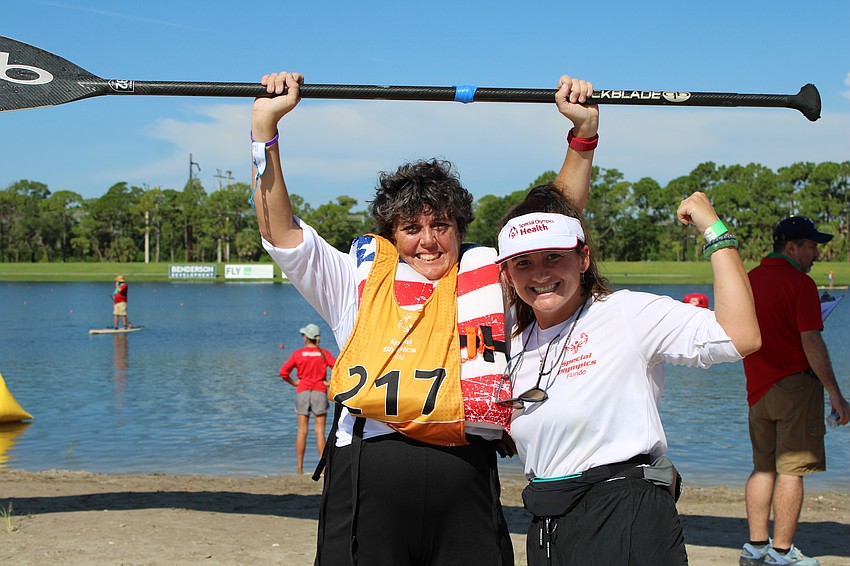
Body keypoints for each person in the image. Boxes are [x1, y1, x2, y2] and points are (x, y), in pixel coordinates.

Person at [251, 69, 598, 565]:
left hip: (465, 468)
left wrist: (582, 137)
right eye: (411, 228)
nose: (428, 240)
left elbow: (552, 226)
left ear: (460, 228)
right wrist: (266, 130)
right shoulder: (354, 280)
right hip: (368, 466)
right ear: (392, 234)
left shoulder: (489, 277)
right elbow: (278, 229)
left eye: (441, 225)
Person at [495, 186, 761, 565]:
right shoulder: (514, 338)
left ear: (583, 257)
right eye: (523, 262)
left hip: (624, 511)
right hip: (548, 521)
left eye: (554, 256)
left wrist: (716, 232)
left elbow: (741, 337)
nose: (540, 273)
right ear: (506, 274)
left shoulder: (625, 313)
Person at [739, 216, 850, 566]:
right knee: (792, 469)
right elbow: (811, 340)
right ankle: (782, 553)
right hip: (795, 386)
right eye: (811, 246)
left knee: (762, 468)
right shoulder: (800, 284)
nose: (816, 253)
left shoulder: (747, 280)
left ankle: (756, 547)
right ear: (792, 247)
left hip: (757, 387)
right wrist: (835, 392)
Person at [279, 323, 337, 475]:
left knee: (302, 432)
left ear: (306, 338)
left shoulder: (298, 354)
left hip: (303, 392)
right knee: (320, 432)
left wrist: (294, 383)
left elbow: (283, 372)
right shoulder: (324, 353)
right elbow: (339, 369)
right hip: (319, 392)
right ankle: (323, 469)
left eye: (303, 335)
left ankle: (299, 468)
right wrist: (329, 383)